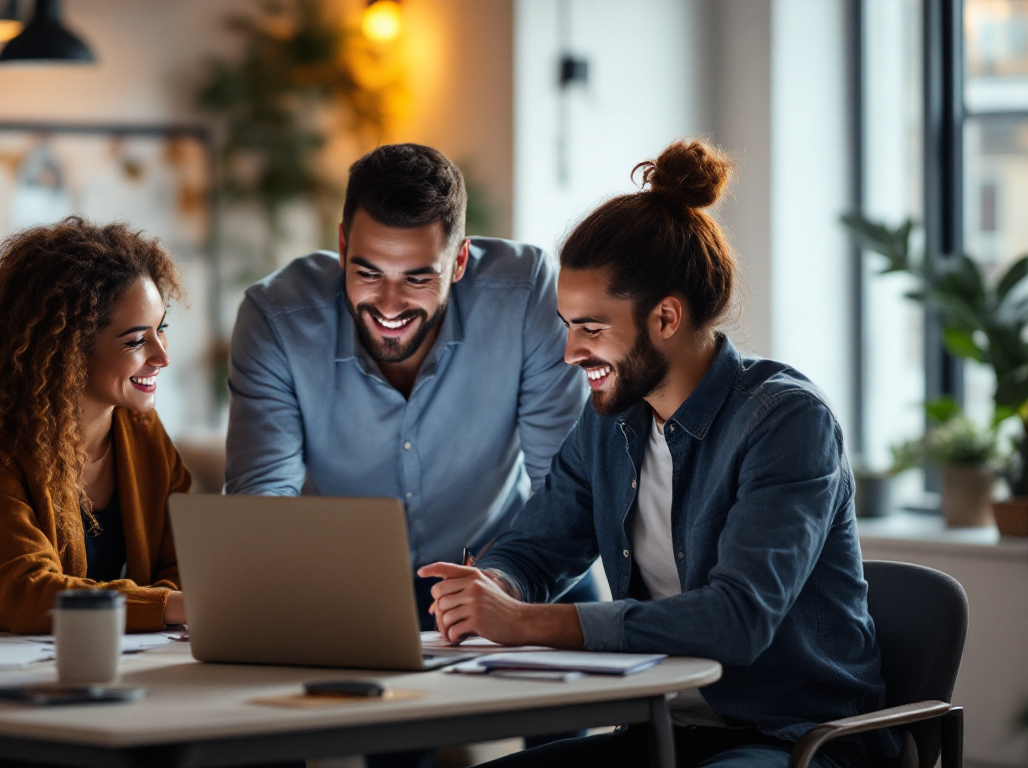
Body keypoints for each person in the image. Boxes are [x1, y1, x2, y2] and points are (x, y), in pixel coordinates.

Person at [418, 140, 899, 768]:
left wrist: (530, 623)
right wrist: (493, 587)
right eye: (567, 325)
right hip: (666, 733)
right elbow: (539, 544)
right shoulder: (611, 422)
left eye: (590, 327)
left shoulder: (785, 422)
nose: (570, 353)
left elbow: (737, 621)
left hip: (798, 740)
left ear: (666, 318)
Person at [225, 142, 592, 627]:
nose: (389, 305)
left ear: (460, 261)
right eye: (367, 272)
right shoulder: (276, 318)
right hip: (344, 592)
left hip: (515, 572)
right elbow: (262, 505)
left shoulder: (526, 297)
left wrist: (503, 583)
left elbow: (564, 490)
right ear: (342, 246)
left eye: (418, 278)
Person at [0, 216, 190, 635]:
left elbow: (188, 564)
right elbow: (24, 595)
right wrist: (167, 606)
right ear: (68, 349)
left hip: (125, 667)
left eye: (161, 329)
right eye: (136, 340)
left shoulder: (143, 430)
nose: (161, 356)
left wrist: (175, 603)